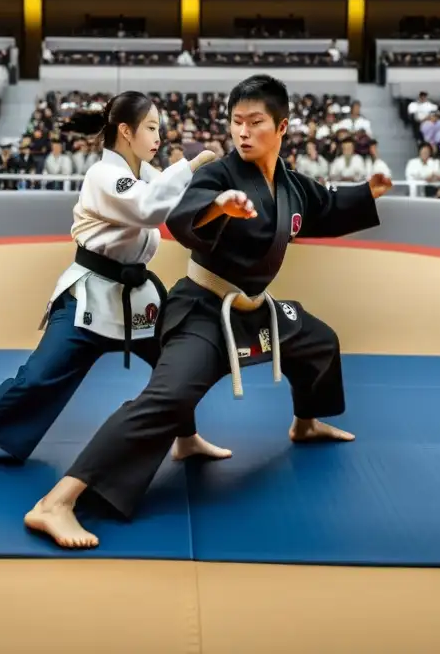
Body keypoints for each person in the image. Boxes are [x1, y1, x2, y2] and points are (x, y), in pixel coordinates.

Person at [24, 74, 392, 548]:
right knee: (168, 398)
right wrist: (218, 207)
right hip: (201, 308)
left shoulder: (291, 185)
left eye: (255, 122)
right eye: (236, 122)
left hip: (254, 308)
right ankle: (56, 502)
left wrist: (369, 192)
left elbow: (328, 204)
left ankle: (305, 422)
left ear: (281, 127)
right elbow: (185, 211)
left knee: (318, 341)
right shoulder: (220, 173)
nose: (242, 132)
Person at [0, 91, 230, 489]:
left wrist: (220, 193)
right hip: (90, 296)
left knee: (176, 364)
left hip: (137, 295)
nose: (159, 135)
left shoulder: (147, 174)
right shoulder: (103, 176)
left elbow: (179, 201)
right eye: (152, 127)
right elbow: (148, 209)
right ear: (126, 131)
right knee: (36, 379)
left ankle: (186, 438)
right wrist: (188, 167)